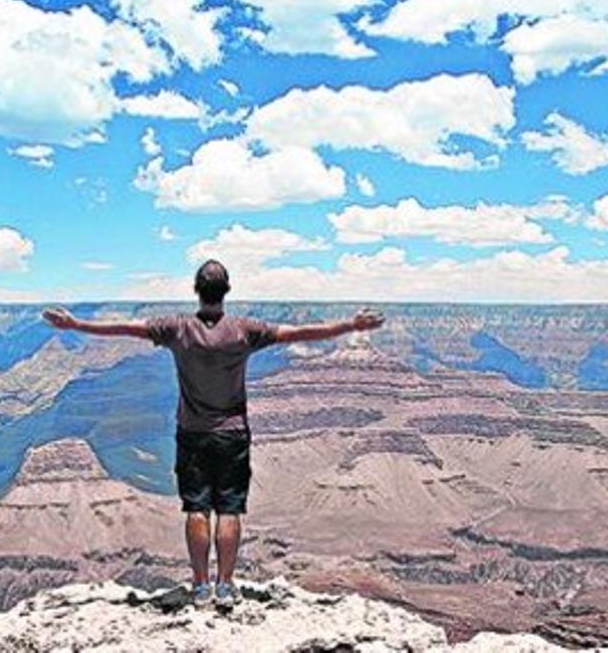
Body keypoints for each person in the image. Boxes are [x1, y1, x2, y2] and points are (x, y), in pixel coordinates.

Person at [42, 259, 384, 609]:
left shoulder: (176, 328)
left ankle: (200, 584)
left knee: (196, 509)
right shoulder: (244, 330)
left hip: (191, 435)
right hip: (233, 435)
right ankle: (225, 584)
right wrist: (349, 325)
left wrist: (76, 324)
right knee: (229, 510)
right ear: (227, 291)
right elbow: (299, 333)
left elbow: (126, 328)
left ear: (196, 290)